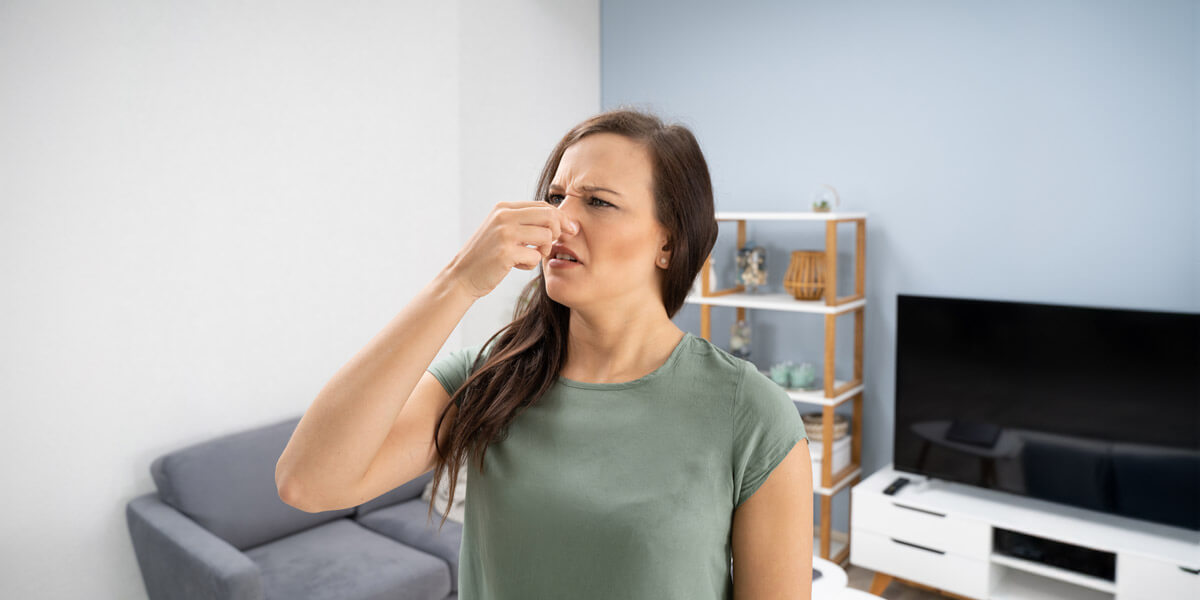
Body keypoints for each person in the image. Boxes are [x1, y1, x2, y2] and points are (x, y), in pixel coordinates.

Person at [275, 107, 813, 599]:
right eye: (556, 197)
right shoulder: (488, 381)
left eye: (598, 202)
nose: (561, 220)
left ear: (668, 244)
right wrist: (459, 281)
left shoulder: (750, 414)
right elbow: (308, 482)